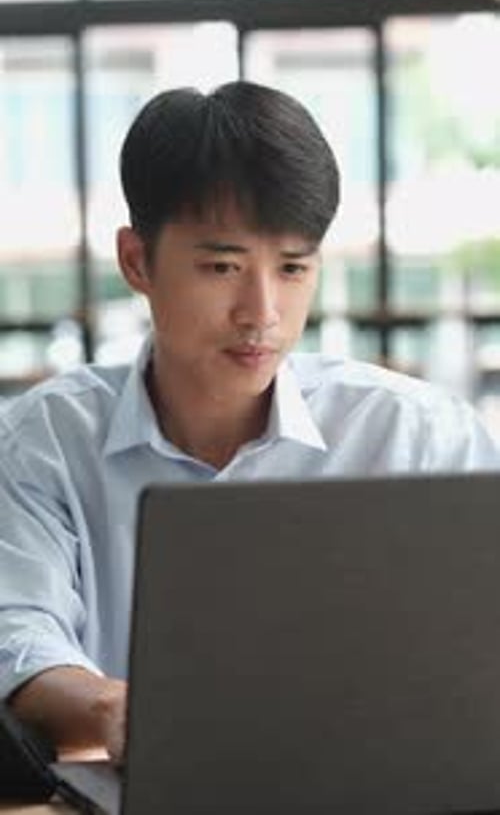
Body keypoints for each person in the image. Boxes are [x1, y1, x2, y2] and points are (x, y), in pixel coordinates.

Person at [0, 81, 498, 764]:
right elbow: (18, 630)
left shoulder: (420, 436)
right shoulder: (45, 442)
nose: (261, 311)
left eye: (293, 268)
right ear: (137, 260)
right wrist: (116, 710)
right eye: (222, 266)